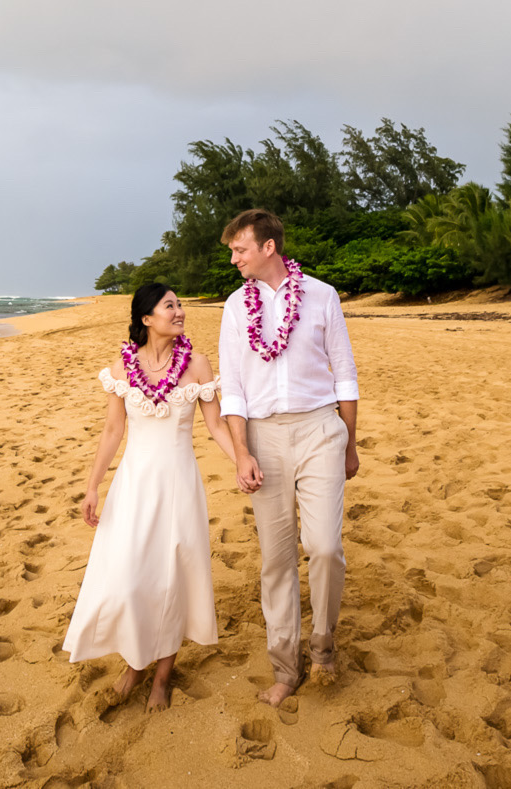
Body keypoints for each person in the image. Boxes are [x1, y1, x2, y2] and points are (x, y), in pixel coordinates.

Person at [63, 283, 241, 710]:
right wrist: (93, 487)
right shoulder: (123, 369)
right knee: (131, 577)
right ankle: (135, 664)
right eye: (170, 306)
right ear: (146, 318)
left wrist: (243, 459)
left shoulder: (197, 365)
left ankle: (161, 676)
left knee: (172, 578)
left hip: (179, 485)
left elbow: (216, 425)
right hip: (134, 487)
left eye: (180, 305)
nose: (180, 312)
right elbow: (112, 432)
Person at [216, 208, 360, 708]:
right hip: (263, 436)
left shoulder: (321, 295)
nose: (234, 258)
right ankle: (285, 666)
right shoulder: (236, 307)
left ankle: (323, 649)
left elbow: (344, 371)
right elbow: (232, 387)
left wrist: (351, 441)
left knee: (323, 546)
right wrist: (241, 452)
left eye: (240, 249)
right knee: (277, 559)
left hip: (321, 427)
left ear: (269, 247)